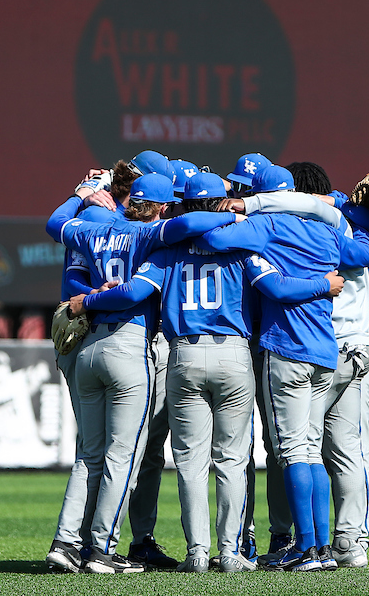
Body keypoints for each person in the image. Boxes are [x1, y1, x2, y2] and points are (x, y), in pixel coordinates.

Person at [72, 172, 344, 572]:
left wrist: (89, 299)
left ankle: (197, 553)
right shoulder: (241, 247)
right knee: (232, 459)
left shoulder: (170, 249)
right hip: (234, 355)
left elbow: (135, 291)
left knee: (190, 462)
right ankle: (231, 552)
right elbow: (277, 286)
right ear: (223, 202)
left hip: (183, 354)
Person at [43, 172, 238, 574]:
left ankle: (65, 542)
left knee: (88, 455)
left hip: (88, 347)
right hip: (128, 346)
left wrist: (79, 194)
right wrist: (234, 216)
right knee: (123, 455)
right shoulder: (150, 236)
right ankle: (101, 550)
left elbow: (55, 223)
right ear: (162, 208)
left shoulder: (98, 226)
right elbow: (186, 228)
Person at [195, 165, 369, 572]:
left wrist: (234, 212)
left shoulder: (266, 227)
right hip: (325, 352)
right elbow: (364, 253)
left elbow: (210, 237)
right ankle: (322, 548)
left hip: (287, 349)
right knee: (312, 450)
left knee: (293, 449)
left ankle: (306, 548)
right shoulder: (330, 231)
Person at [0, 350, 57, 467]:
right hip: (5, 446)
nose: (3, 369)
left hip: (29, 443)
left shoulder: (17, 379)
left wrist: (41, 369)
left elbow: (41, 372)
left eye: (5, 365)